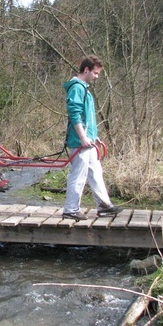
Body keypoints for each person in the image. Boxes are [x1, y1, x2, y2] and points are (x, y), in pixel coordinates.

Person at [62, 55, 122, 221]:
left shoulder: (83, 88)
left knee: (95, 172)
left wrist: (93, 137)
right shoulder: (77, 88)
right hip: (80, 141)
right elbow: (74, 114)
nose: (97, 77)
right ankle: (71, 209)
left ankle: (104, 205)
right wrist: (82, 137)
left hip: (87, 140)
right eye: (95, 73)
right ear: (86, 70)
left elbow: (87, 118)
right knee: (78, 175)